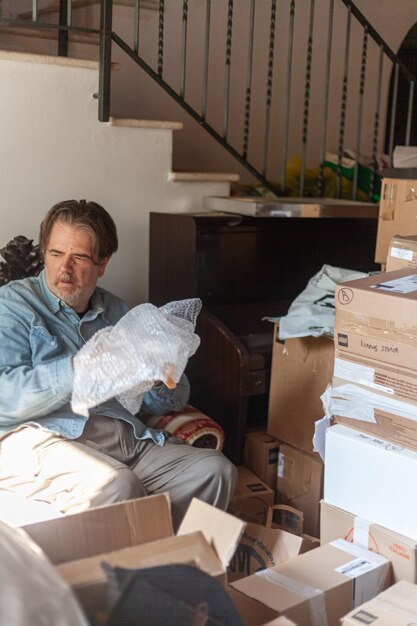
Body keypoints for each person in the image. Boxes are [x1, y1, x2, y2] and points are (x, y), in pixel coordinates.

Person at [0, 199, 236, 529]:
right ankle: (128, 574)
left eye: (79, 257)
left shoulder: (115, 311)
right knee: (117, 484)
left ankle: (179, 569)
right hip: (45, 437)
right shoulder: (13, 305)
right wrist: (79, 370)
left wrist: (158, 376)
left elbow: (169, 397)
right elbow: (4, 397)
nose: (64, 268)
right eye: (55, 254)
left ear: (102, 263)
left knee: (215, 471)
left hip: (123, 437)